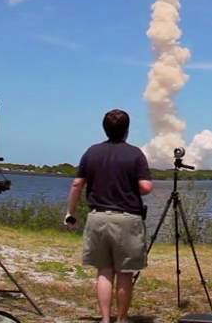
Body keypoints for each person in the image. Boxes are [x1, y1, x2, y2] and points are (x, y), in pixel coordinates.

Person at [64, 110, 153, 323]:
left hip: (98, 218)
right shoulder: (135, 154)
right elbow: (146, 187)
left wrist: (71, 213)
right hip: (127, 219)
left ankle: (105, 319)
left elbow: (77, 183)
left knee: (103, 271)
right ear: (127, 130)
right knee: (124, 273)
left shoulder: (92, 152)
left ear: (104, 128)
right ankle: (121, 319)